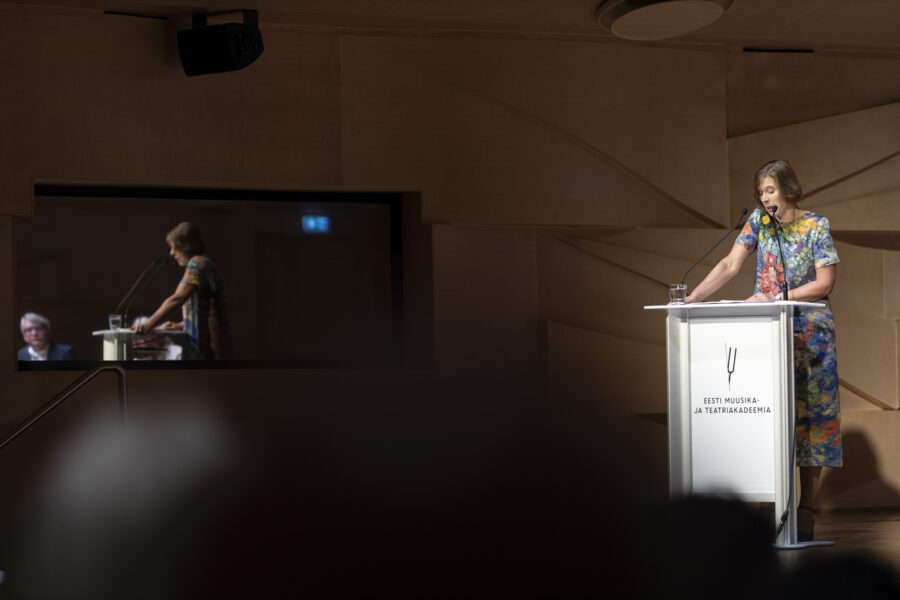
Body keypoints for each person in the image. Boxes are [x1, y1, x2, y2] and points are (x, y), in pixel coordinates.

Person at [685, 159, 841, 542]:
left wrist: (779, 295)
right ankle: (767, 504)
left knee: (812, 420)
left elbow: (825, 283)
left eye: (770, 190)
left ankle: (806, 508)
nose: (764, 198)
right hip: (767, 333)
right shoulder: (758, 222)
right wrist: (690, 299)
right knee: (764, 416)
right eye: (760, 192)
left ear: (788, 188)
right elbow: (730, 264)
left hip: (811, 337)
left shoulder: (815, 225)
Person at [133, 222, 231, 360]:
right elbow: (206, 309)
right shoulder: (204, 264)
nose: (171, 253)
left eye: (174, 247)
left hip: (209, 351)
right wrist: (180, 325)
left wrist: (149, 323)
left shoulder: (197, 263)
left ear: (185, 246)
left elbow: (177, 298)